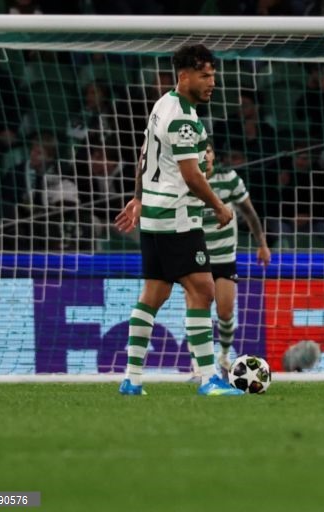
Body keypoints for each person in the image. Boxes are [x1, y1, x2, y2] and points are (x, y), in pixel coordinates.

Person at [114, 44, 242, 396]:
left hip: (153, 216)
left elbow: (145, 155)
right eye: (204, 75)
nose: (212, 82)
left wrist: (139, 197)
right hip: (177, 216)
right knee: (203, 290)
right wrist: (218, 205)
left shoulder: (163, 104)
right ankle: (208, 378)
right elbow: (191, 176)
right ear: (184, 76)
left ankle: (131, 379)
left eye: (213, 75)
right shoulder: (184, 117)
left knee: (153, 294)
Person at [189, 141, 272, 378]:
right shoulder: (186, 180)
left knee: (225, 312)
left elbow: (249, 212)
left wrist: (262, 244)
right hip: (196, 255)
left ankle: (223, 355)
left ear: (213, 154)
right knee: (197, 309)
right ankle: (197, 362)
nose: (205, 155)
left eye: (208, 151)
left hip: (225, 255)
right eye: (199, 152)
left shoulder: (229, 178)